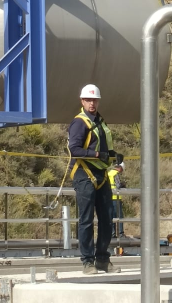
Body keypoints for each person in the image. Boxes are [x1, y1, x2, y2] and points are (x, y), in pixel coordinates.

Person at [68, 83, 115, 275]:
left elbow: (105, 148)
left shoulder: (100, 122)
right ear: (82, 101)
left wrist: (114, 157)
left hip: (101, 174)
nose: (92, 103)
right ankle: (87, 261)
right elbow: (74, 149)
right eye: (88, 100)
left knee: (107, 219)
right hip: (84, 174)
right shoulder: (80, 123)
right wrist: (96, 155)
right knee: (86, 220)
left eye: (94, 100)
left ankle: (102, 259)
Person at [107, 155, 125, 237]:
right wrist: (123, 184)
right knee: (120, 216)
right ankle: (121, 233)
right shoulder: (115, 174)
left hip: (109, 197)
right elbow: (118, 185)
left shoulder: (109, 173)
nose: (121, 172)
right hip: (116, 198)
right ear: (120, 168)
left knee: (112, 216)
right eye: (122, 170)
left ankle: (112, 233)